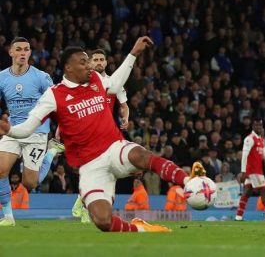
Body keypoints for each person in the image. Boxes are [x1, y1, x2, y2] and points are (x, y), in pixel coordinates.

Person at [0, 36, 207, 233]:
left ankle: (189, 182)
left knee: (141, 155)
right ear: (69, 68)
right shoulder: (54, 95)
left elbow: (116, 84)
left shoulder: (96, 80)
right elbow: (27, 128)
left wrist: (133, 53)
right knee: (102, 221)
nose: (90, 65)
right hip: (91, 164)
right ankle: (141, 228)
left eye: (89, 62)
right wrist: (9, 130)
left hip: (113, 146)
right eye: (84, 62)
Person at [0, 37, 59, 227]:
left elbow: (58, 102)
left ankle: (51, 151)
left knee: (30, 183)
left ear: (30, 53)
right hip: (13, 130)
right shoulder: (2, 77)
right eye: (18, 49)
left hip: (36, 131)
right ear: (11, 52)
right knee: (0, 170)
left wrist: (62, 125)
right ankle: (8, 217)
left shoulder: (41, 77)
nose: (23, 53)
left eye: (26, 49)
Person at [72, 48, 131, 221]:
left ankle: (82, 201)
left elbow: (123, 105)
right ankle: (85, 206)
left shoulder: (114, 83)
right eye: (95, 59)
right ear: (90, 63)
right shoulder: (82, 83)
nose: (98, 62)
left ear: (106, 62)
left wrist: (125, 118)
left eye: (101, 59)